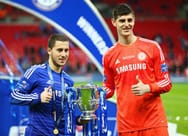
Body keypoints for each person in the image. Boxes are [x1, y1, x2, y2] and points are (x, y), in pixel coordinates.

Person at [102, 3, 172, 136]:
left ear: (134, 21)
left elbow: (166, 83)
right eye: (122, 21)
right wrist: (96, 93)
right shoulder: (109, 55)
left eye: (129, 20)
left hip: (154, 123)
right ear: (114, 22)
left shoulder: (152, 47)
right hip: (127, 126)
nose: (126, 24)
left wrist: (148, 88)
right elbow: (109, 89)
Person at [9, 34, 85, 136]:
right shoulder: (36, 71)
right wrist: (39, 97)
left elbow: (66, 114)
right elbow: (13, 97)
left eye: (66, 50)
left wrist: (79, 120)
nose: (63, 54)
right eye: (59, 50)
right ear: (49, 50)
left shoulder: (68, 81)